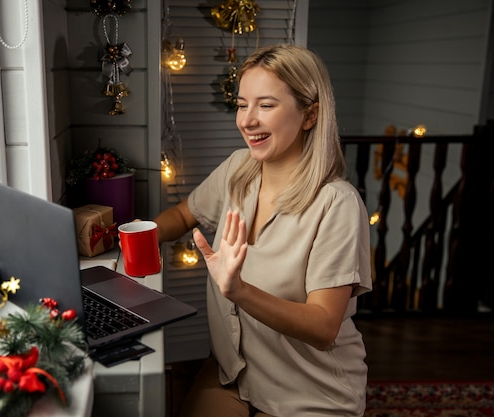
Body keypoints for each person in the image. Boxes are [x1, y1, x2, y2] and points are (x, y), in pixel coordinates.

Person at [153, 44, 373, 416]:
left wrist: (238, 290)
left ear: (310, 115)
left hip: (310, 392)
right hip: (234, 376)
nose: (247, 120)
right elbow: (180, 215)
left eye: (266, 106)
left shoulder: (337, 204)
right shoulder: (238, 169)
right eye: (242, 105)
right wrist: (121, 238)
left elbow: (323, 327)